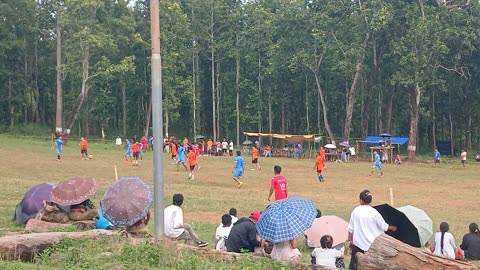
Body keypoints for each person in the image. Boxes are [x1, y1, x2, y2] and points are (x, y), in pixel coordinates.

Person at [347, 190, 397, 270]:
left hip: (357, 246)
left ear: (360, 200)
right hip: (372, 246)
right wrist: (392, 227)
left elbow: (350, 229)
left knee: (354, 267)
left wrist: (350, 242)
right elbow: (384, 227)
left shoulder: (355, 211)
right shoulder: (374, 213)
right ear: (370, 201)